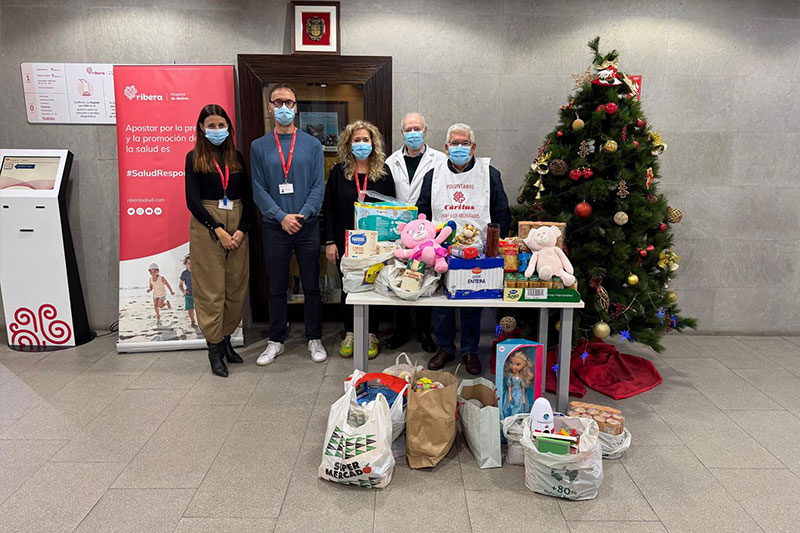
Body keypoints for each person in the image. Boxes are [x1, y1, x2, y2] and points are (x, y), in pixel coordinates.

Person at [416, 123, 511, 375]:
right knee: (440, 302)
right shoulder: (433, 175)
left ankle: (469, 350)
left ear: (474, 147)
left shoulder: (489, 174)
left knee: (472, 301)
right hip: (440, 250)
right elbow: (421, 210)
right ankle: (445, 347)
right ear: (446, 147)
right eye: (455, 143)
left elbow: (501, 210)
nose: (460, 148)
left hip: (476, 250)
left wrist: (496, 245)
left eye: (465, 143)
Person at [251, 83, 327, 365]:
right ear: (270, 107)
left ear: (297, 107)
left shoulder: (312, 144)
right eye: (278, 102)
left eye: (290, 102)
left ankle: (314, 337)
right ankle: (275, 340)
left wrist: (302, 215)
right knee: (276, 286)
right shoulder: (259, 146)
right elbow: (258, 189)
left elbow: (319, 186)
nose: (284, 107)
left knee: (311, 285)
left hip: (306, 225)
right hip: (275, 227)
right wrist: (281, 217)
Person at [185, 103, 251, 378]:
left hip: (237, 221)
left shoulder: (236, 157)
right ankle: (213, 349)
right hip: (207, 224)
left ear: (228, 127)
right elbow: (192, 201)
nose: (216, 130)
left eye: (220, 125)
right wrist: (218, 230)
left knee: (235, 287)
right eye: (211, 125)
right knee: (211, 290)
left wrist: (241, 230)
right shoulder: (194, 158)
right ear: (202, 128)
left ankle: (225, 341)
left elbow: (248, 198)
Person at [323, 120, 396, 359]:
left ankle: (371, 333)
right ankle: (351, 333)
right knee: (350, 286)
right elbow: (330, 208)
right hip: (346, 244)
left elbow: (392, 210)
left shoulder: (383, 174)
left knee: (373, 285)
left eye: (366, 140)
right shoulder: (337, 172)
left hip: (375, 245)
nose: (362, 144)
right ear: (348, 143)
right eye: (357, 140)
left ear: (373, 144)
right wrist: (330, 241)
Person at [384, 112, 446, 353]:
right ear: (402, 133)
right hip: (399, 230)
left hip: (427, 231)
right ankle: (401, 329)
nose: (412, 133)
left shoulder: (438, 159)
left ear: (425, 130)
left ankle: (424, 331)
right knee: (401, 276)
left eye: (416, 128)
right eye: (408, 129)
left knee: (425, 279)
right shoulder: (391, 161)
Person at [178, 255, 197, 328]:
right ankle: (192, 321)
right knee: (190, 310)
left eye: (192, 263)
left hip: (198, 294)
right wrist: (183, 291)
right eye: (189, 263)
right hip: (189, 294)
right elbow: (180, 285)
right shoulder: (184, 274)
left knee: (200, 309)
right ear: (186, 264)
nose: (190, 265)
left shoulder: (198, 272)